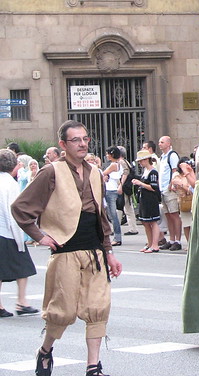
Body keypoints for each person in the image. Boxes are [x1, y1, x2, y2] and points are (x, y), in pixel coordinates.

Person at [11, 120, 122, 376]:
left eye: (85, 139)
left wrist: (109, 252)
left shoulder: (95, 172)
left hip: (94, 252)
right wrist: (40, 235)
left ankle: (93, 366)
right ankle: (46, 350)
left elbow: (101, 216)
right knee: (62, 311)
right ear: (63, 144)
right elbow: (21, 208)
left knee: (98, 308)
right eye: (76, 140)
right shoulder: (51, 172)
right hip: (65, 251)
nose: (82, 144)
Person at [0, 149, 39, 318]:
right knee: (23, 267)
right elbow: (13, 212)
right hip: (7, 233)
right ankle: (22, 302)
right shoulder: (10, 184)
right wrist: (20, 237)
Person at [132, 150, 161, 253]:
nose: (140, 164)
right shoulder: (145, 171)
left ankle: (155, 244)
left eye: (141, 161)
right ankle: (149, 243)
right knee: (145, 222)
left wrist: (141, 184)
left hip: (150, 199)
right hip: (144, 198)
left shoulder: (153, 172)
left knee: (153, 221)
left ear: (146, 160)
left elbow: (153, 187)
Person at [157, 136, 181, 251]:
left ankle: (178, 240)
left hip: (170, 189)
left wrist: (171, 184)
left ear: (168, 143)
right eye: (159, 142)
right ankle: (171, 239)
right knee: (168, 215)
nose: (160, 144)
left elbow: (175, 171)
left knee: (174, 214)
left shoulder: (172, 155)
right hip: (163, 189)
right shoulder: (162, 157)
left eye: (162, 142)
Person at [171, 157, 194, 246]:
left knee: (192, 225)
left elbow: (191, 189)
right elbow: (173, 189)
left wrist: (181, 184)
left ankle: (193, 244)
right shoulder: (177, 175)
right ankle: (189, 243)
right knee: (186, 224)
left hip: (191, 201)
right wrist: (176, 186)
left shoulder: (190, 175)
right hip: (183, 202)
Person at [102, 146, 123, 246]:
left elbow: (103, 174)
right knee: (111, 214)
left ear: (112, 154)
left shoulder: (113, 165)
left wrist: (105, 175)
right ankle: (115, 234)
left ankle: (117, 237)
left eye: (108, 153)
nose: (106, 155)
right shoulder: (116, 164)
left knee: (113, 215)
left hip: (111, 191)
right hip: (111, 190)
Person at [117, 146, 139, 236]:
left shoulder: (121, 162)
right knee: (128, 208)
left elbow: (125, 173)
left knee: (120, 207)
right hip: (127, 187)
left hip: (124, 187)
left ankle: (116, 227)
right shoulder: (126, 161)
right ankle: (133, 228)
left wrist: (120, 185)